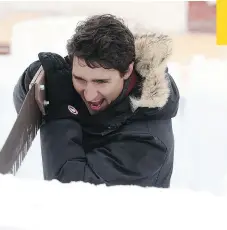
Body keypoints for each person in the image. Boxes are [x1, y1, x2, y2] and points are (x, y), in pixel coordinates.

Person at [13, 14, 180, 188]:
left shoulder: (148, 143)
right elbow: (25, 107)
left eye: (101, 82)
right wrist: (36, 79)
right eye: (79, 79)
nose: (90, 95)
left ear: (127, 71)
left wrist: (59, 111)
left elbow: (68, 187)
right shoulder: (88, 79)